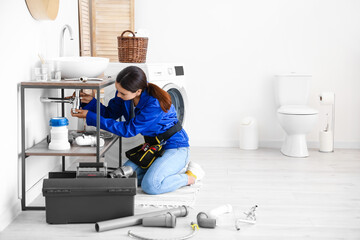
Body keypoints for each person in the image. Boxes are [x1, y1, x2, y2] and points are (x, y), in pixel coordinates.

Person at [71, 66, 204, 195]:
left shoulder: (154, 104)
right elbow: (110, 113)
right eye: (118, 90)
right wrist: (90, 103)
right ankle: (162, 170)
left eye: (122, 93)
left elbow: (128, 130)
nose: (118, 95)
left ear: (138, 91)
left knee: (151, 186)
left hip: (175, 147)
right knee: (121, 179)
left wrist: (90, 116)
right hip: (152, 148)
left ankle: (190, 176)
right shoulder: (125, 97)